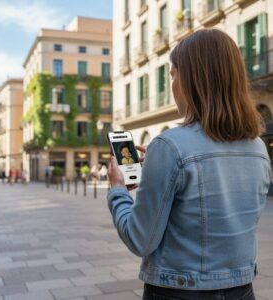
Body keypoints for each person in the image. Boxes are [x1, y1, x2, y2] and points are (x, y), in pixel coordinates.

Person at [107, 29, 270, 300]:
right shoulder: (259, 148)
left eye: (173, 74)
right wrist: (162, 167)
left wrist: (117, 189)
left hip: (178, 293)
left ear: (193, 78)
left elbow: (139, 239)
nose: (171, 84)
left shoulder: (170, 146)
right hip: (242, 291)